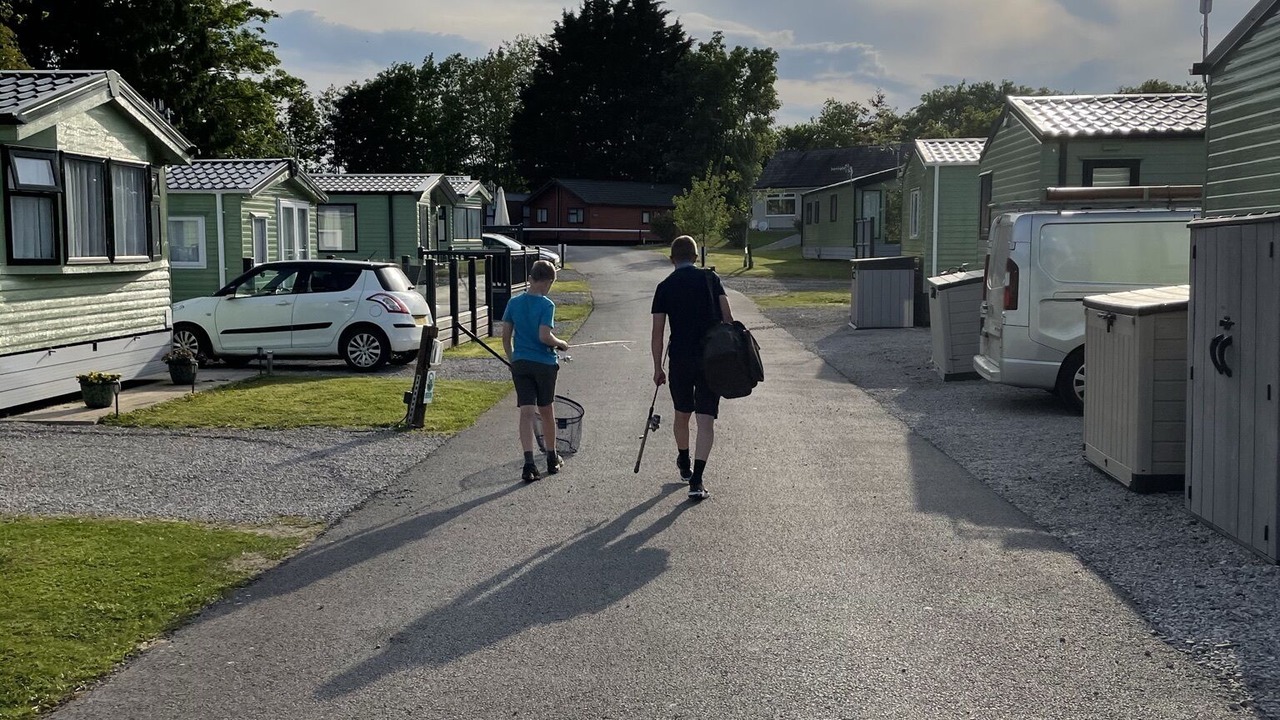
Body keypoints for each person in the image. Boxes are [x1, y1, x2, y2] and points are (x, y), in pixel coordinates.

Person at [650, 235, 733, 500]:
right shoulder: (711, 279)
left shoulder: (664, 286)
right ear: (696, 257)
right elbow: (728, 319)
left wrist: (657, 368)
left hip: (681, 359)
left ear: (672, 259)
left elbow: (657, 333)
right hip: (712, 359)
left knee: (682, 414)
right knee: (705, 419)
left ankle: (683, 460)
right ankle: (697, 479)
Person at [502, 259, 570, 482]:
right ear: (548, 281)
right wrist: (560, 343)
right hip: (543, 364)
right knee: (547, 411)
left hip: (521, 362)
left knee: (526, 412)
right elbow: (544, 336)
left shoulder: (514, 302)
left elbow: (505, 336)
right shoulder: (546, 305)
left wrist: (513, 359)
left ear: (531, 278)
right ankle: (551, 456)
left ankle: (529, 463)